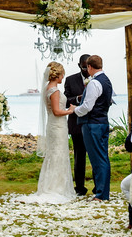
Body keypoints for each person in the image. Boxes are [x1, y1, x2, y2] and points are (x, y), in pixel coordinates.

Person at [29, 61, 76, 203]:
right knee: (57, 155)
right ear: (57, 75)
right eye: (62, 74)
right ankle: (56, 187)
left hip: (54, 126)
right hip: (57, 126)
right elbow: (56, 111)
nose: (63, 77)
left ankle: (54, 185)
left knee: (55, 154)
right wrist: (70, 111)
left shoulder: (47, 88)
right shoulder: (54, 91)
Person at [74, 54, 112, 201]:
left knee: (97, 160)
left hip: (92, 124)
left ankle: (102, 194)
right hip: (102, 122)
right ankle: (103, 192)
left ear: (89, 67)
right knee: (103, 158)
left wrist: (74, 110)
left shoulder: (94, 83)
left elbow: (87, 107)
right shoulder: (106, 81)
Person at [64, 53, 90, 196]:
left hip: (92, 123)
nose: (86, 70)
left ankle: (98, 187)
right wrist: (78, 98)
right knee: (79, 157)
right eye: (84, 66)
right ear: (79, 65)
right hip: (76, 125)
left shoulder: (96, 79)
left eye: (88, 66)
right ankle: (79, 187)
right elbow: (66, 100)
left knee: (94, 156)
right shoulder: (70, 80)